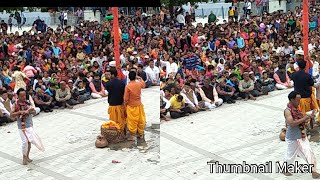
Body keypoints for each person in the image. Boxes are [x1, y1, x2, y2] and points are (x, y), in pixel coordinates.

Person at [283, 91, 320, 178]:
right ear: (292, 100)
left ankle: (313, 171)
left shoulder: (297, 108)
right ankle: (285, 168)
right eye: (297, 100)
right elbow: (291, 123)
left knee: (309, 153)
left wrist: (310, 116)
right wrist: (304, 118)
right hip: (292, 138)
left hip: (302, 136)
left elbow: (302, 119)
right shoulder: (287, 111)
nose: (299, 102)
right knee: (290, 155)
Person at [10, 88, 44, 165]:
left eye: (24, 96)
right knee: (25, 142)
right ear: (18, 96)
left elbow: (34, 111)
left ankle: (27, 156)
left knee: (29, 141)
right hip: (21, 126)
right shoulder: (15, 104)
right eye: (21, 96)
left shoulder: (28, 103)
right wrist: (20, 112)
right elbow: (11, 115)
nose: (23, 97)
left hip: (29, 124)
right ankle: (24, 157)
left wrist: (30, 110)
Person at [124, 71, 146, 141]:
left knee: (132, 121)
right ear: (135, 77)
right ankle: (140, 134)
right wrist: (140, 78)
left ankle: (132, 135)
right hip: (139, 105)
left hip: (131, 105)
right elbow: (144, 85)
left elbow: (126, 98)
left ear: (129, 78)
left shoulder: (128, 86)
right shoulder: (138, 84)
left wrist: (125, 104)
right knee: (140, 120)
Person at [105, 68, 126, 134]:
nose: (109, 76)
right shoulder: (122, 83)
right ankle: (121, 132)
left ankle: (115, 133)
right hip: (120, 104)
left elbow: (108, 91)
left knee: (113, 121)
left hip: (112, 105)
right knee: (121, 120)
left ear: (113, 75)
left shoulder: (108, 84)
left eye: (109, 74)